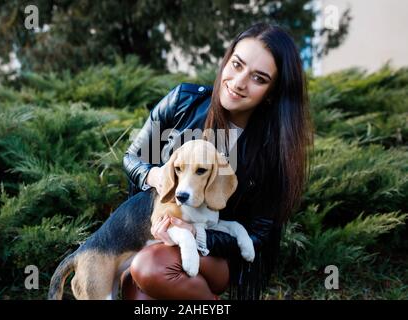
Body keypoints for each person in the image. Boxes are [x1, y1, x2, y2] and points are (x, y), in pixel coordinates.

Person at [121, 22, 313, 300]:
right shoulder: (182, 104)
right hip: (159, 236)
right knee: (139, 294)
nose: (238, 83)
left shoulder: (273, 149)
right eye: (236, 65)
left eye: (258, 78)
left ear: (272, 92)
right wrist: (156, 177)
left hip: (220, 254)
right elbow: (133, 159)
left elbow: (259, 234)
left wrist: (197, 234)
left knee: (151, 267)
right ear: (226, 61)